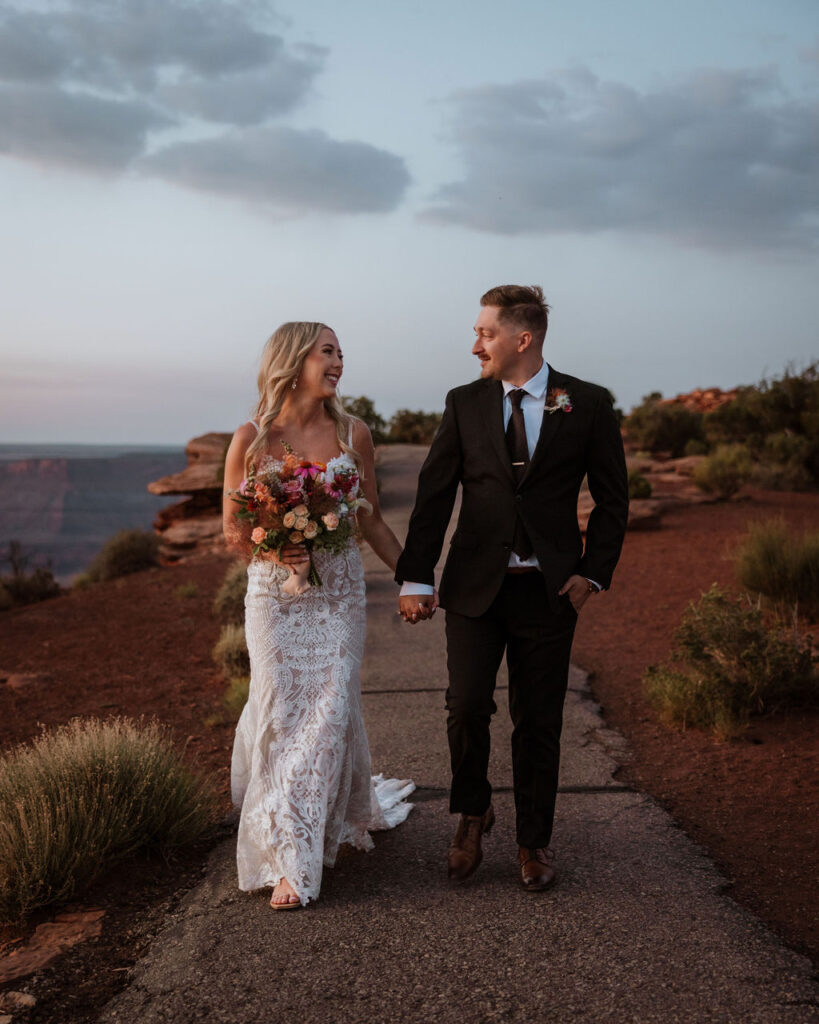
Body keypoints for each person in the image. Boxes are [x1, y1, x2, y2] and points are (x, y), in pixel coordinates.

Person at [396, 285, 628, 891]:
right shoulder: (464, 402)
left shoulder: (589, 403)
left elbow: (612, 499)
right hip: (475, 587)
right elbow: (435, 492)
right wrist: (417, 577)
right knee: (466, 707)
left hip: (550, 591)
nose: (476, 344)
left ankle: (534, 841)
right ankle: (473, 813)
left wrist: (592, 575)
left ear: (521, 340)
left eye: (486, 333)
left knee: (540, 719)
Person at [223, 321, 414, 910]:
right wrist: (275, 545)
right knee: (281, 709)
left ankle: (296, 863)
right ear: (294, 359)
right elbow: (233, 530)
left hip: (338, 595)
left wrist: (417, 577)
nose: (338, 363)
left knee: (330, 711)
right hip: (274, 596)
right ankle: (287, 832)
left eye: (340, 354)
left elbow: (372, 520)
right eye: (328, 352)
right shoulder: (251, 439)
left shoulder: (354, 433)